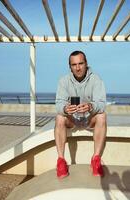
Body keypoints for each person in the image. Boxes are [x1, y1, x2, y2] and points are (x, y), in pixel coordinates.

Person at [54, 50, 107, 179]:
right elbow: (58, 104)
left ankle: (95, 159)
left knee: (102, 116)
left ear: (86, 63)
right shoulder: (63, 81)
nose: (78, 68)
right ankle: (61, 161)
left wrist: (90, 106)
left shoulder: (96, 79)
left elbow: (102, 104)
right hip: (72, 119)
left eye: (80, 63)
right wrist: (66, 109)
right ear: (70, 67)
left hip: (89, 118)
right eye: (74, 65)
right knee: (59, 117)